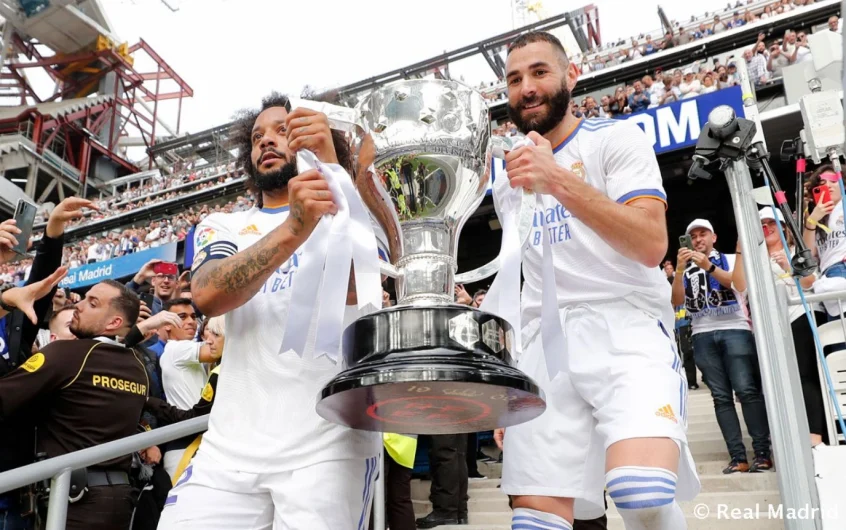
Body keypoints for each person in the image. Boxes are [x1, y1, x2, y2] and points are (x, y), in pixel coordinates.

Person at [492, 31, 698, 530]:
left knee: (642, 493)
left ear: (572, 75)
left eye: (539, 72)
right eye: (515, 79)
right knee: (535, 522)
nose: (527, 88)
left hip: (624, 326)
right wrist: (509, 382)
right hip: (546, 348)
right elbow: (527, 285)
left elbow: (651, 244)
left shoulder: (615, 139)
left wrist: (557, 180)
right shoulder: (506, 178)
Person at [157, 93, 385, 530]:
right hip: (227, 451)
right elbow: (207, 294)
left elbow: (363, 290)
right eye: (257, 136)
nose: (266, 141)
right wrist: (294, 227)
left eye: (283, 130)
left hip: (329, 446)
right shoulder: (223, 224)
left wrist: (333, 170)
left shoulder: (356, 214)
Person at [0, 279, 148, 530]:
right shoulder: (137, 365)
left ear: (114, 323)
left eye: (93, 303)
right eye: (84, 298)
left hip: (73, 500)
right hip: (121, 497)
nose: (78, 305)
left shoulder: (67, 354)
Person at [672, 219, 771, 473]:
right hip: (701, 333)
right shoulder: (686, 269)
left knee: (747, 391)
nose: (698, 239)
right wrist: (680, 270)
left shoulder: (729, 257)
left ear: (714, 237)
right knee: (721, 398)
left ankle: (762, 452)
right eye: (693, 236)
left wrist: (709, 266)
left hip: (735, 329)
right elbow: (676, 300)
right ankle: (738, 457)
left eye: (702, 234)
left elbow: (738, 285)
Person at [734, 208, 827, 446]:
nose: (767, 227)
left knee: (805, 376)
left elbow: (810, 282)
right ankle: (792, 439)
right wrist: (740, 249)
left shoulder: (795, 249)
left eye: (771, 222)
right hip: (771, 326)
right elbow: (740, 286)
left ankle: (816, 436)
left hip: (800, 316)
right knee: (779, 384)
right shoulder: (754, 259)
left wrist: (789, 266)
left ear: (784, 226)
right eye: (762, 224)